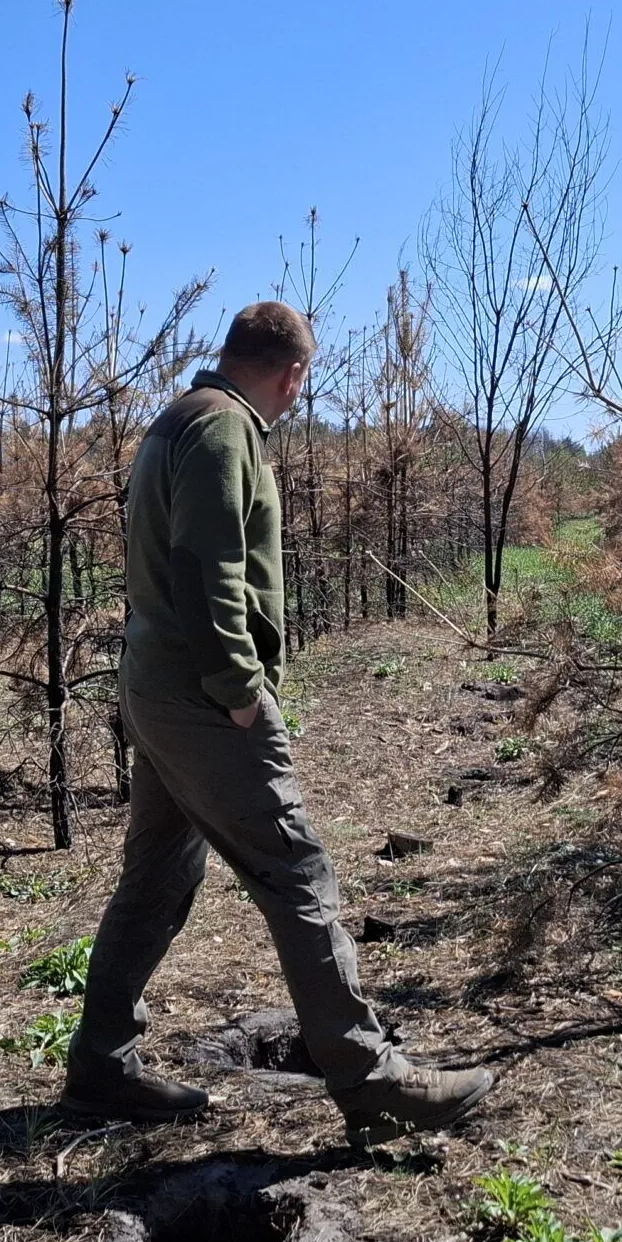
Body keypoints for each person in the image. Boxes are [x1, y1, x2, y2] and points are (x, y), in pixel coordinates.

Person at [64, 299, 497, 1146]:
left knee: (157, 879)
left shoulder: (178, 419)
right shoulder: (223, 429)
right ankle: (372, 1080)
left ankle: (101, 1066)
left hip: (155, 688)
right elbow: (208, 568)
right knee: (298, 874)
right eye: (304, 380)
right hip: (201, 697)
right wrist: (238, 687)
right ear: (293, 371)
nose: (300, 394)